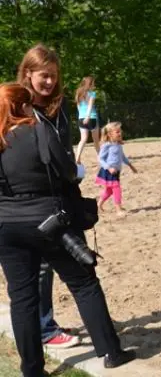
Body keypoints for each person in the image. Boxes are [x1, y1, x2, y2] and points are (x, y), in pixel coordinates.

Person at [0, 83, 136, 377]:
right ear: (24, 106)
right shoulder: (38, 130)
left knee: (22, 299)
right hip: (48, 222)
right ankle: (111, 351)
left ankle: (32, 370)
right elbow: (67, 170)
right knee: (84, 283)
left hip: (6, 226)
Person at [16, 44, 79, 349]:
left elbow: (63, 146)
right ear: (27, 73)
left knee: (49, 265)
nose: (50, 82)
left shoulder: (59, 104)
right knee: (38, 267)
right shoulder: (15, 106)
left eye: (54, 76)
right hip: (28, 198)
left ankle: (42, 323)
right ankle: (43, 328)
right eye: (44, 76)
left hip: (59, 195)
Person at [96, 122, 138, 215]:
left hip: (116, 171)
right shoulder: (107, 145)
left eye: (120, 131)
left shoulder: (118, 145)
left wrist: (131, 166)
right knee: (116, 188)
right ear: (110, 134)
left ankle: (99, 204)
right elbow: (100, 159)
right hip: (109, 171)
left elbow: (122, 157)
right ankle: (118, 209)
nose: (120, 133)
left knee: (109, 190)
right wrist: (109, 168)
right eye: (117, 132)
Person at [74, 76, 100, 165]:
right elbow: (90, 106)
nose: (94, 85)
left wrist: (82, 116)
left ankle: (77, 158)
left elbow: (78, 107)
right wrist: (88, 116)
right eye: (93, 83)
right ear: (90, 84)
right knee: (96, 140)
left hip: (81, 119)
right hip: (91, 117)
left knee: (83, 139)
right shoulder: (92, 94)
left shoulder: (78, 93)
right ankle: (100, 157)